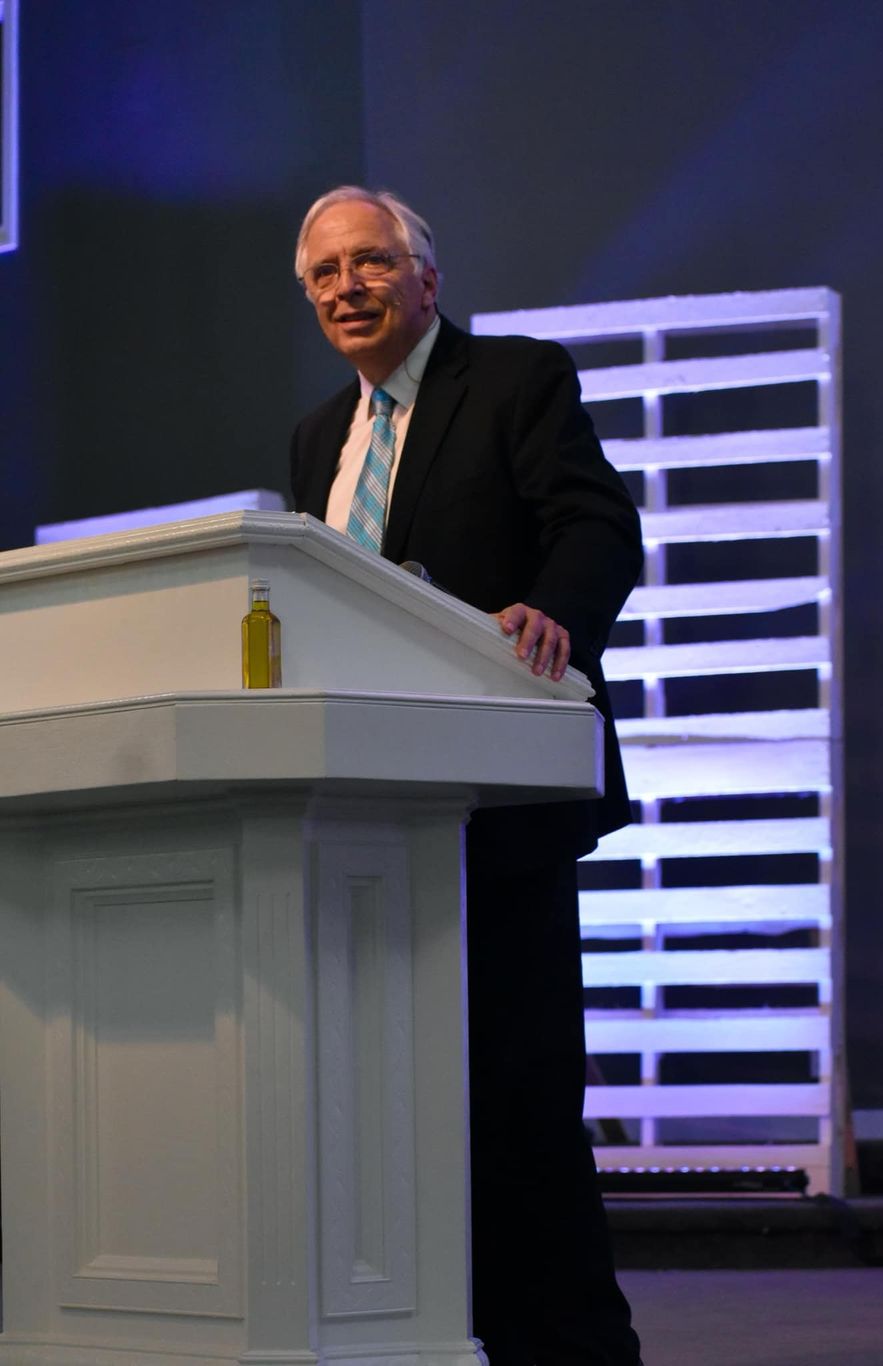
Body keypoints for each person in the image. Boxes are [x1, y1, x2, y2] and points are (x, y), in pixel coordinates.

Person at [289, 185, 644, 1366]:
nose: (347, 287)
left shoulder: (513, 380)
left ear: (425, 278)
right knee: (394, 1115)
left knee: (520, 1102)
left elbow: (596, 525)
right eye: (324, 273)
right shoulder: (314, 440)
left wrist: (554, 612)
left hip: (497, 805)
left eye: (370, 261)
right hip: (362, 825)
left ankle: (574, 1352)